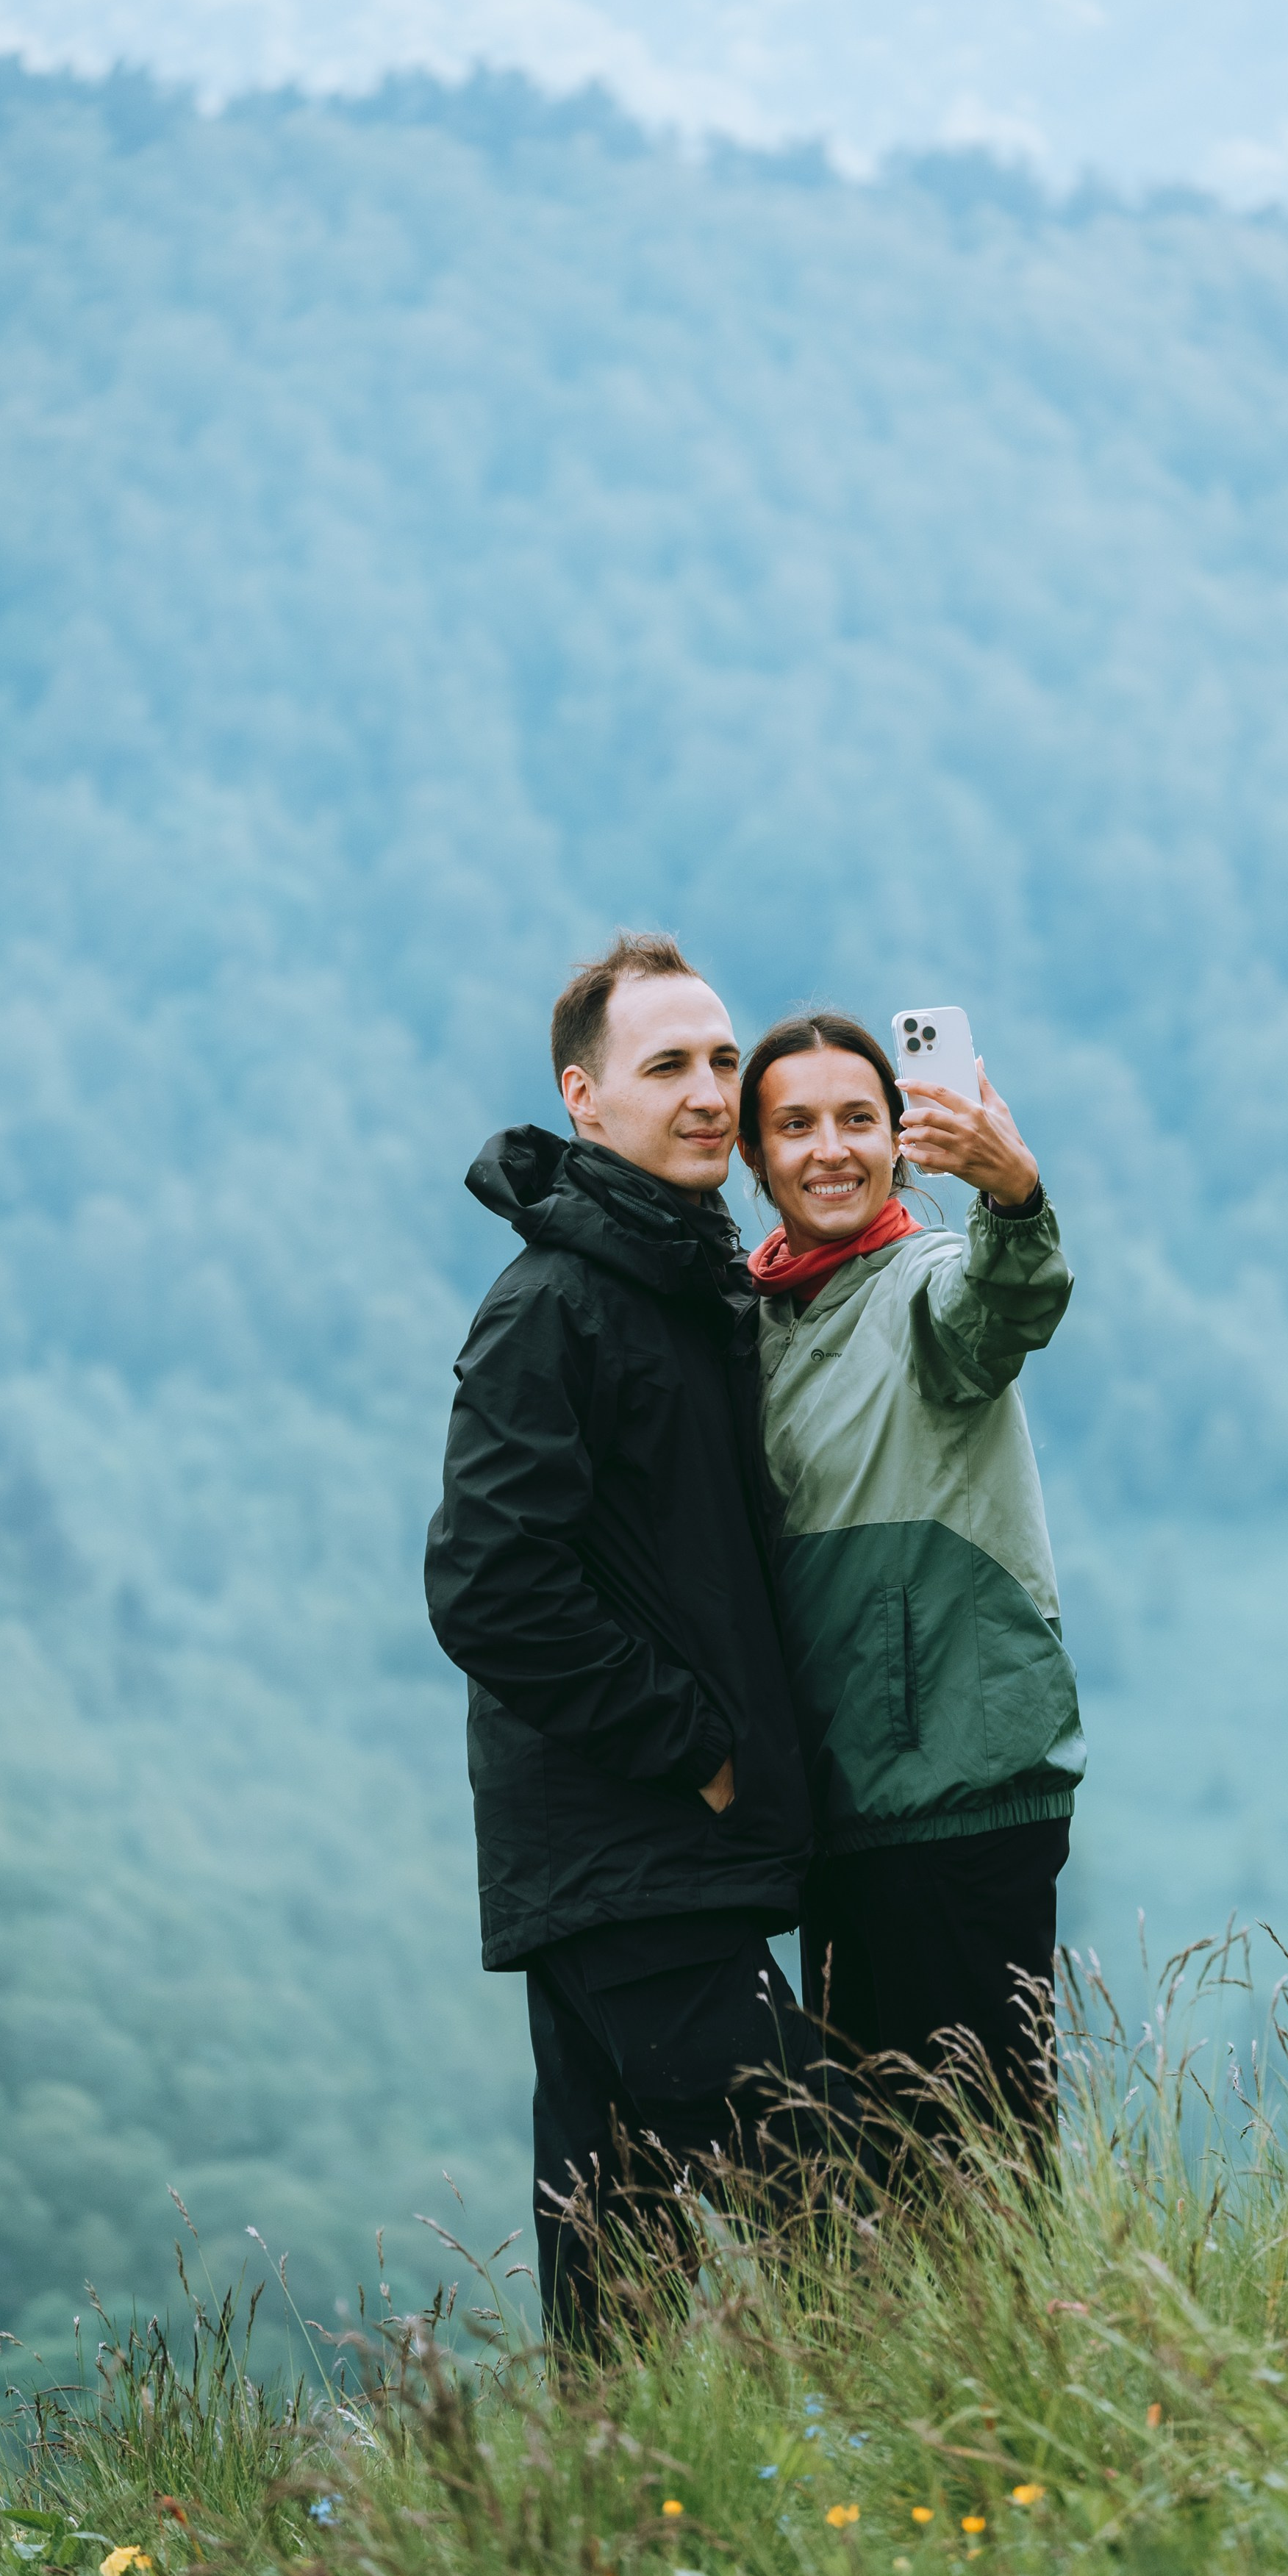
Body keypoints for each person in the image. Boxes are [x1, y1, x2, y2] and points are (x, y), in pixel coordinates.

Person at [425, 934, 844, 2342]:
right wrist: (699, 1751)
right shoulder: (553, 1308)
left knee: (620, 2275)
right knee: (844, 2202)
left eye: (723, 1060)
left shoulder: (674, 1281)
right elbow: (487, 1585)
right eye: (666, 1065)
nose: (711, 1092)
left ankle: (614, 2527)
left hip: (635, 1861)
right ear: (582, 1099)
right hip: (632, 1854)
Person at [737, 1012, 1084, 2132]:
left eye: (856, 1119)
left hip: (959, 1796)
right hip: (842, 1811)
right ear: (753, 1157)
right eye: (794, 1125)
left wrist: (1015, 1202)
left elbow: (1002, 1307)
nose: (827, 1149)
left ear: (899, 1138)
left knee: (978, 2154)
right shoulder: (754, 1321)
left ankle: (1038, 2321)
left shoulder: (926, 1280)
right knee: (882, 2169)